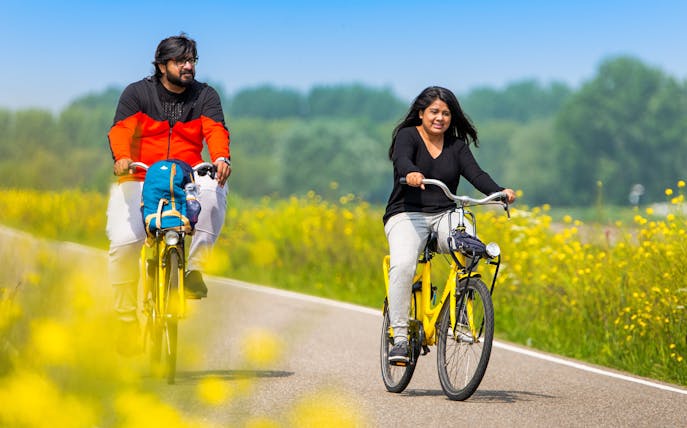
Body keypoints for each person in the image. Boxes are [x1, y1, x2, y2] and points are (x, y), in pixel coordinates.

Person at [106, 33, 232, 355]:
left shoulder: (205, 95)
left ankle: (194, 271)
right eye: (181, 61)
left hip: (187, 175)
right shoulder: (137, 94)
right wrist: (121, 157)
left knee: (215, 188)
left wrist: (220, 158)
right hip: (140, 174)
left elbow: (215, 130)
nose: (189, 66)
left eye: (192, 61)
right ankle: (123, 319)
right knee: (124, 244)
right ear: (162, 65)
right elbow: (120, 129)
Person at [383, 86, 516, 364]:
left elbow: (476, 174)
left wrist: (500, 191)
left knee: (470, 246)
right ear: (421, 113)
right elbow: (402, 159)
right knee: (404, 265)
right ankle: (399, 337)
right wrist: (411, 173)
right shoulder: (407, 136)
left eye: (446, 113)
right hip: (407, 214)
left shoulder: (457, 147)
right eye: (434, 112)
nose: (440, 118)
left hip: (445, 213)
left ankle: (462, 311)